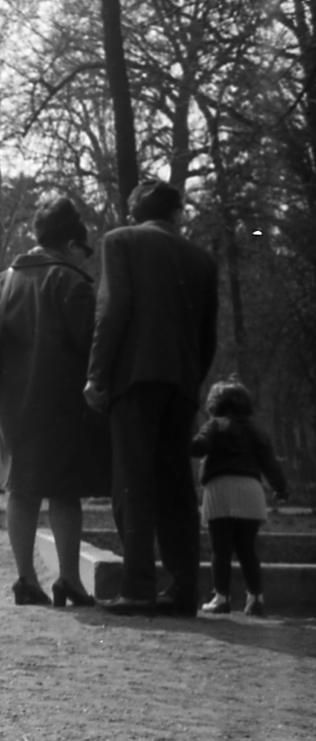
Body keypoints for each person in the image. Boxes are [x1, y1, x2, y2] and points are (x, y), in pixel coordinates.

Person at [86, 180, 218, 617]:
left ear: (134, 213)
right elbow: (207, 336)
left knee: (132, 482)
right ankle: (183, 591)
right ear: (175, 215)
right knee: (177, 486)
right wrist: (191, 383)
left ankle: (138, 586)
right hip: (181, 383)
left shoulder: (119, 241)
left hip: (134, 379)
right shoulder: (201, 259)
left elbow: (113, 309)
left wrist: (97, 376)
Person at [0, 197, 109, 607]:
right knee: (64, 491)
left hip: (9, 403)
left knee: (20, 489)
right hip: (58, 401)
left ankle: (25, 579)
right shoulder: (71, 282)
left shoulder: (2, 281)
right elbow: (89, 344)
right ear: (71, 243)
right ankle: (70, 580)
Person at [191, 378, 289, 617]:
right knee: (247, 549)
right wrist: (281, 489)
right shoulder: (256, 431)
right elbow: (270, 464)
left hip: (221, 489)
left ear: (215, 403)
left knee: (220, 550)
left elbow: (199, 446)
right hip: (251, 491)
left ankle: (221, 598)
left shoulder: (216, 425)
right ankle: (256, 599)